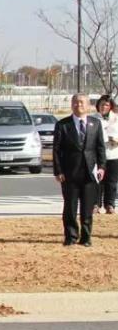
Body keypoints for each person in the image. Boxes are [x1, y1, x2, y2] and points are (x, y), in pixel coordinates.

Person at [53, 93, 106, 246]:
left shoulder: (95, 124)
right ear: (72, 105)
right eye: (75, 103)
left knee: (87, 208)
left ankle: (86, 237)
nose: (78, 105)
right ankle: (70, 236)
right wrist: (58, 171)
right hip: (70, 173)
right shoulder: (63, 124)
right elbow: (56, 150)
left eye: (82, 102)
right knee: (70, 207)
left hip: (90, 172)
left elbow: (100, 147)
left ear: (88, 105)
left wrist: (102, 167)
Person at [94, 94, 118, 214]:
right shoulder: (93, 119)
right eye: (102, 104)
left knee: (111, 181)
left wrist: (115, 140)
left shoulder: (116, 118)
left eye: (107, 105)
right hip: (97, 155)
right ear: (98, 105)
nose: (104, 107)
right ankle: (96, 205)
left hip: (113, 154)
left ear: (111, 106)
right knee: (97, 181)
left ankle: (110, 204)